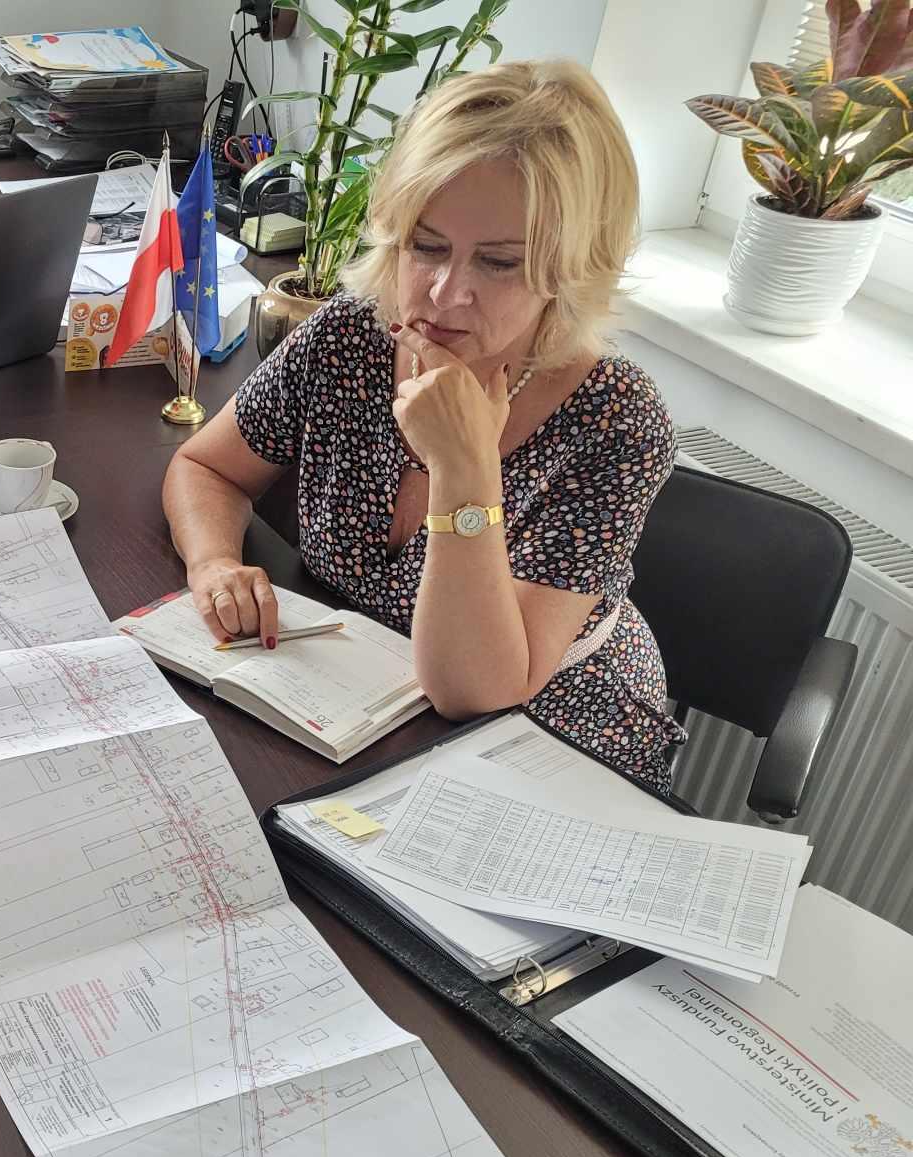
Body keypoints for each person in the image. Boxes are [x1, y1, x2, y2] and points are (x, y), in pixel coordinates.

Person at [164, 61, 683, 790]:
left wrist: (463, 467)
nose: (444, 293)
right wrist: (214, 563)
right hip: (361, 700)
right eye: (426, 245)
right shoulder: (351, 335)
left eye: (498, 263)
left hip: (550, 735)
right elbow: (207, 467)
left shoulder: (617, 420)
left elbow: (480, 691)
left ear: (570, 269)